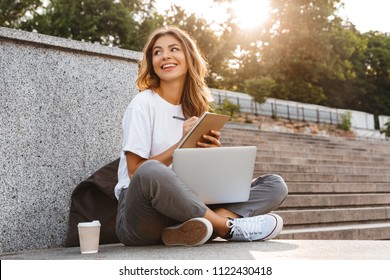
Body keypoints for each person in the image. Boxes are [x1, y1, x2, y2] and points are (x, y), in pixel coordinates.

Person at [115, 26, 288, 246]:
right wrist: (182, 145)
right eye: (157, 52)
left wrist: (209, 158)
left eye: (173, 49)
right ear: (152, 63)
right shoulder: (143, 104)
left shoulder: (194, 110)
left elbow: (193, 174)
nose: (165, 56)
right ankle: (226, 227)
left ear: (189, 57)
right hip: (140, 217)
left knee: (275, 185)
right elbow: (135, 171)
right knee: (151, 171)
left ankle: (192, 229)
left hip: (186, 207)